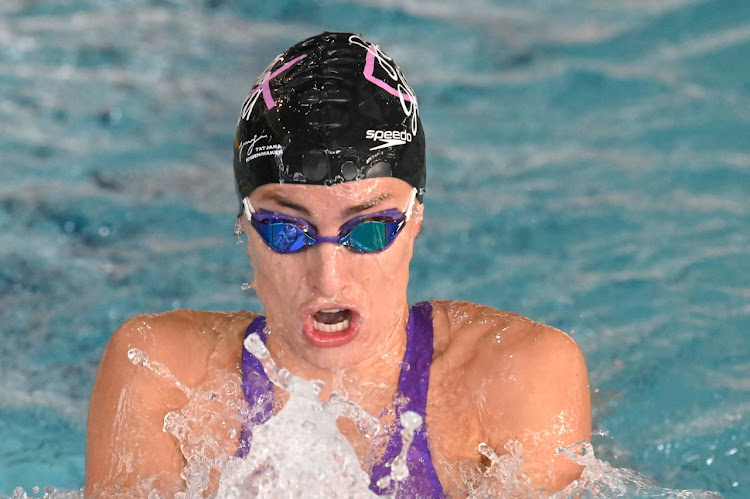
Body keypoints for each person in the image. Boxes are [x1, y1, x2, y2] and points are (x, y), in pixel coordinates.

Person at [86, 32, 590, 497]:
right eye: (287, 231)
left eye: (369, 230)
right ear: (244, 228)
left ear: (416, 223)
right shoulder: (164, 376)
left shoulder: (517, 377)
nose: (328, 276)